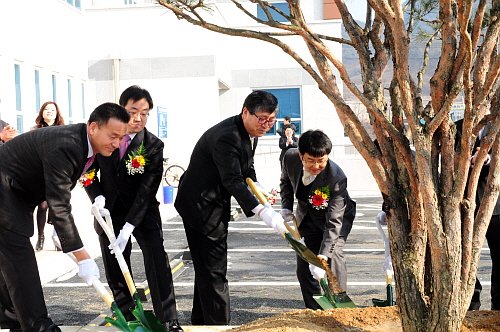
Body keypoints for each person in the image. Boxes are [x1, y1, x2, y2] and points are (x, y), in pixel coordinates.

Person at [0, 102, 129, 332]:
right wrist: (83, 257)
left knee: (9, 257)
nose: (117, 143)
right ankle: (39, 327)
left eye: (121, 138)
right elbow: (60, 207)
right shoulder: (66, 146)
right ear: (93, 128)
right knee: (19, 256)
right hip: (5, 191)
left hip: (16, 192)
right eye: (113, 136)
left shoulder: (83, 142)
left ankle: (12, 319)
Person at [175, 90, 287, 325]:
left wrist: (257, 185)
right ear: (246, 112)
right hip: (201, 206)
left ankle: (202, 323)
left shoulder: (246, 131)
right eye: (262, 119)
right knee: (215, 269)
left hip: (210, 203)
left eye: (271, 120)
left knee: (207, 267)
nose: (266, 125)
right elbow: (232, 179)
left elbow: (246, 166)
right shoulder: (227, 136)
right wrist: (261, 210)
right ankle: (218, 326)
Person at [84, 86, 183, 332]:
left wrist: (130, 226)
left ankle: (169, 319)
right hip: (109, 212)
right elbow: (87, 170)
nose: (139, 118)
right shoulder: (105, 137)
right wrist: (96, 198)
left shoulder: (152, 145)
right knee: (115, 263)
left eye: (145, 113)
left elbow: (147, 189)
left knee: (156, 260)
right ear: (121, 111)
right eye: (133, 111)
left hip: (143, 211)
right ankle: (127, 316)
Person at [280, 130, 356, 309]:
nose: (316, 166)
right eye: (311, 161)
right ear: (300, 155)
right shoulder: (289, 158)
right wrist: (285, 206)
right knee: (304, 263)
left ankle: (339, 305)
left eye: (321, 161)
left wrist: (322, 256)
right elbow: (285, 182)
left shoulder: (336, 178)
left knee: (333, 255)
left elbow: (334, 222)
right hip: (306, 216)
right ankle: (314, 309)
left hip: (337, 217)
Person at [455, 119, 500, 311]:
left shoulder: (497, 128)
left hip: (496, 206)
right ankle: (471, 302)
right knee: (464, 256)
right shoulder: (456, 127)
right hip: (464, 206)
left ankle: (498, 304)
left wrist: (486, 159)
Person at [31, 101, 65, 251]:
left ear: (57, 113)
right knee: (43, 206)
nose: (49, 111)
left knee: (58, 205)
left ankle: (58, 238)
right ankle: (40, 237)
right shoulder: (34, 129)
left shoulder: (62, 130)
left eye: (52, 109)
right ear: (42, 112)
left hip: (57, 173)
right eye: (46, 109)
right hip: (39, 172)